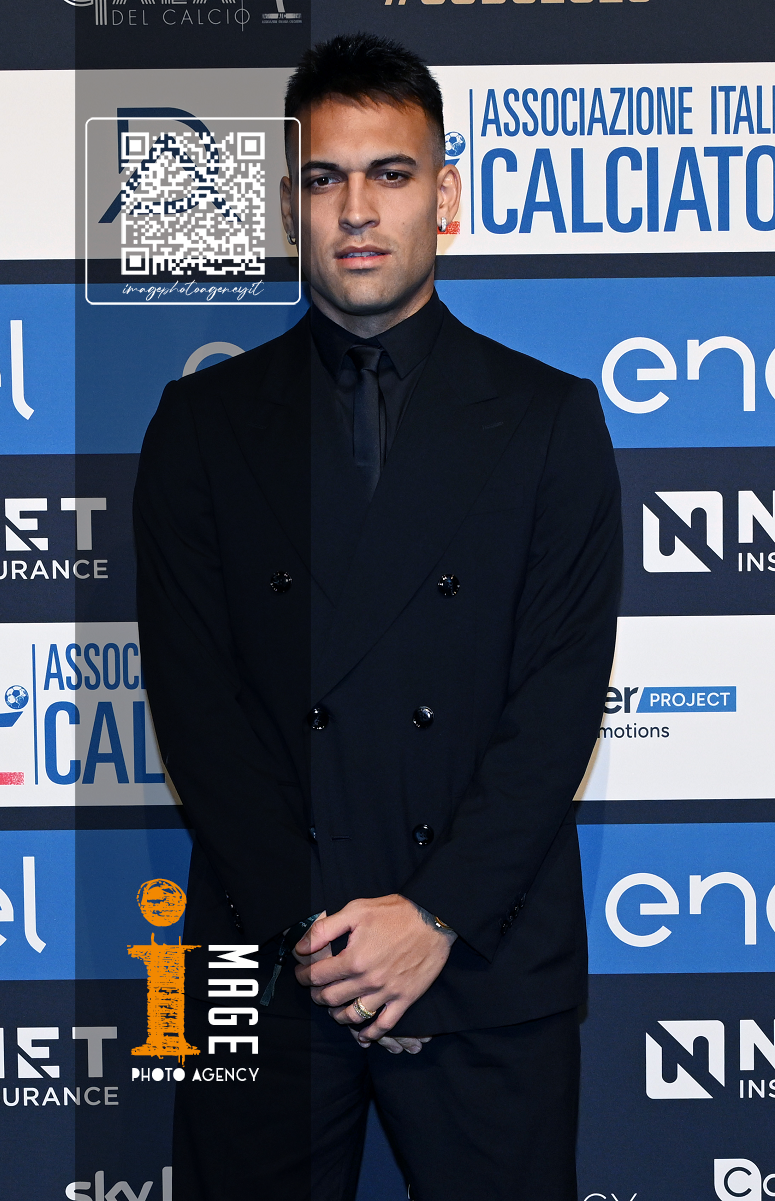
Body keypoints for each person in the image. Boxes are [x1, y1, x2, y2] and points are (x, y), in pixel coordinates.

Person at [133, 32, 622, 1201]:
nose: (356, 210)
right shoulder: (199, 425)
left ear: (442, 197)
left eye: (389, 174)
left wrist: (432, 915)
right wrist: (328, 938)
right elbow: (196, 708)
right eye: (324, 178)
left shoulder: (550, 420)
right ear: (286, 204)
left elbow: (556, 703)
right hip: (267, 955)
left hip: (483, 954)